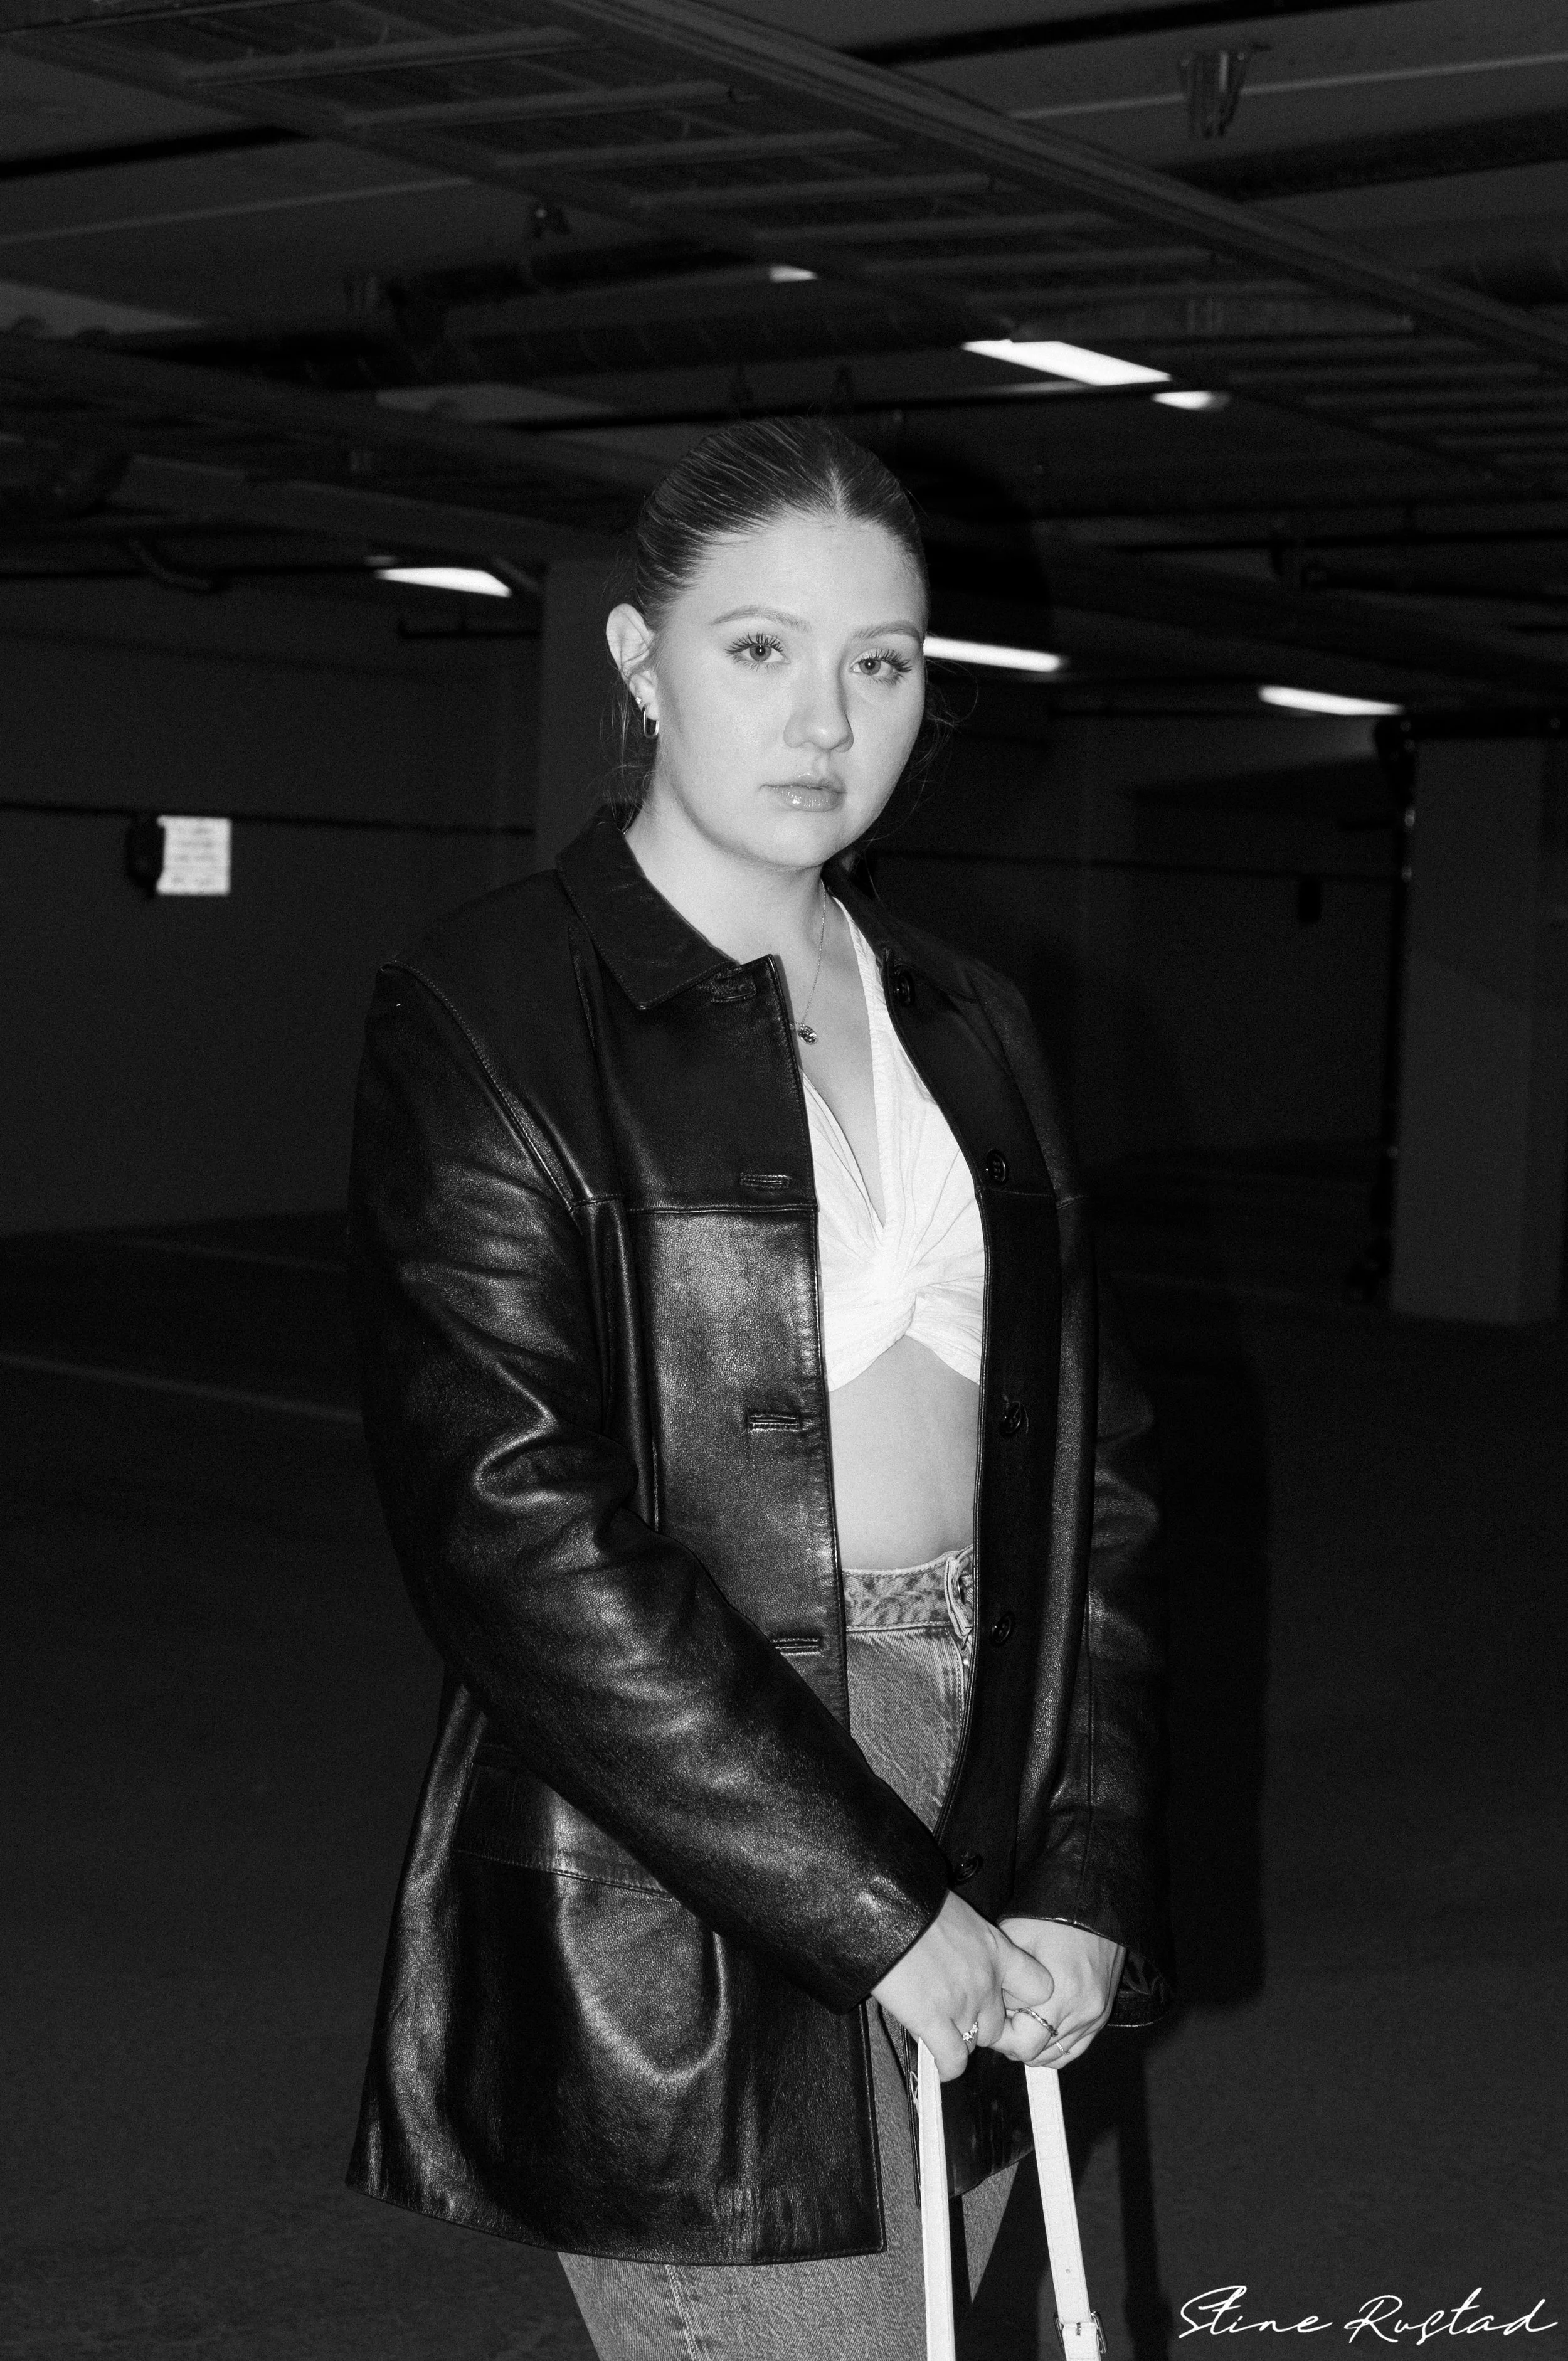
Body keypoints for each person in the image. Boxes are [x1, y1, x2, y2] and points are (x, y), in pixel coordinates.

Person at [345, 417, 1172, 2358]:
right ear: (636, 662)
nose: (825, 721)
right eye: (757, 652)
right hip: (696, 1820)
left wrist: (1079, 1854)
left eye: (878, 665)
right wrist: (874, 1903)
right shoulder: (488, 1009)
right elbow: (513, 1533)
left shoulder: (967, 1014)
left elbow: (1098, 1477)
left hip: (992, 1751)